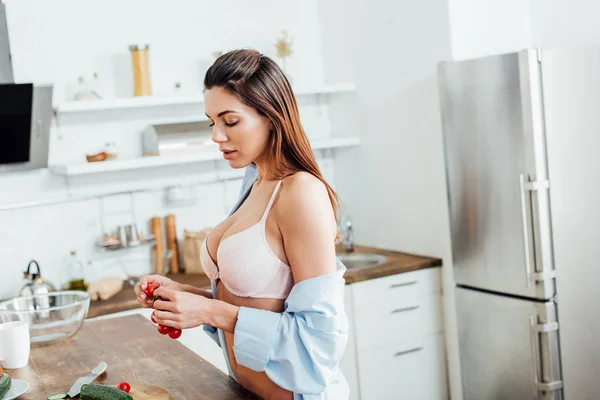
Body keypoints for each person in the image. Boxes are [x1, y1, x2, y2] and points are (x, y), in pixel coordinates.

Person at [134, 49, 349, 399]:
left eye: (229, 121)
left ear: (271, 116)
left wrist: (210, 310)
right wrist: (186, 296)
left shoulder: (301, 193)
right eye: (211, 122)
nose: (216, 136)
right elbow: (254, 302)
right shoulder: (255, 181)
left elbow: (318, 341)